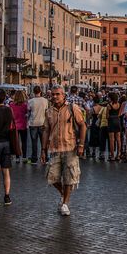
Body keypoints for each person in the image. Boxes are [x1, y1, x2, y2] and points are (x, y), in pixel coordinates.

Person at [42, 86, 86, 216]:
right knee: (52, 176)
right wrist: (43, 150)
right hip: (54, 148)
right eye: (52, 94)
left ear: (63, 95)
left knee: (69, 177)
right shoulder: (49, 111)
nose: (54, 97)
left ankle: (65, 203)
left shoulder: (72, 108)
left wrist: (81, 145)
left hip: (70, 147)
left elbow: (83, 125)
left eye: (57, 94)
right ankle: (63, 194)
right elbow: (45, 130)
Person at [9, 91, 29, 163]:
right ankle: (24, 157)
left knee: (16, 142)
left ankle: (17, 157)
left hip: (15, 126)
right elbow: (27, 114)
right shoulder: (25, 105)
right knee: (24, 142)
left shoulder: (11, 105)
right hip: (23, 125)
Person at [105, 92, 123, 161]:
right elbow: (119, 114)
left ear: (111, 98)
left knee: (111, 140)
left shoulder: (109, 105)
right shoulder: (119, 104)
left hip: (111, 122)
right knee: (118, 139)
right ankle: (118, 155)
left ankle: (112, 156)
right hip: (117, 121)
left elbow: (107, 116)